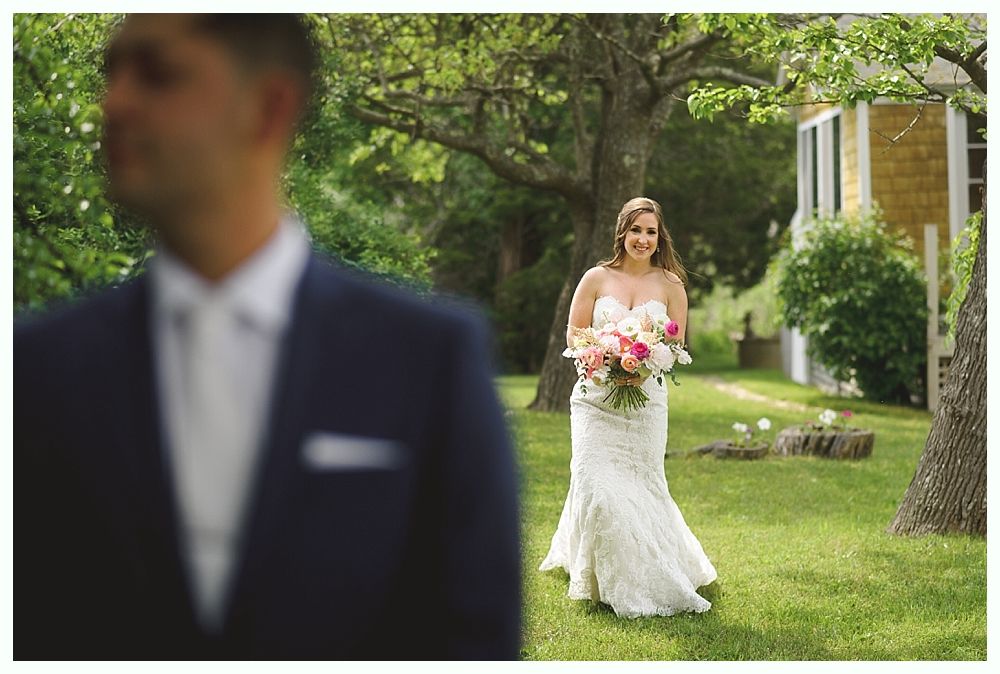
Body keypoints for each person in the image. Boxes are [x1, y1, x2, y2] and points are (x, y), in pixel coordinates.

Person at [14, 14, 521, 660]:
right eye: (110, 74)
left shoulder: (429, 360)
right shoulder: (35, 370)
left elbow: (472, 642)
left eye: (158, 74)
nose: (113, 102)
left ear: (270, 106)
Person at [538, 196, 717, 618]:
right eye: (636, 230)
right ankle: (598, 577)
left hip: (646, 405)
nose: (643, 239)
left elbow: (675, 345)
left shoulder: (671, 285)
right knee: (597, 488)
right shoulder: (596, 278)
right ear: (622, 232)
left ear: (660, 237)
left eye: (651, 232)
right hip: (595, 400)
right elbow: (575, 337)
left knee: (641, 487)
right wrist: (604, 358)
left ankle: (651, 572)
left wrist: (644, 365)